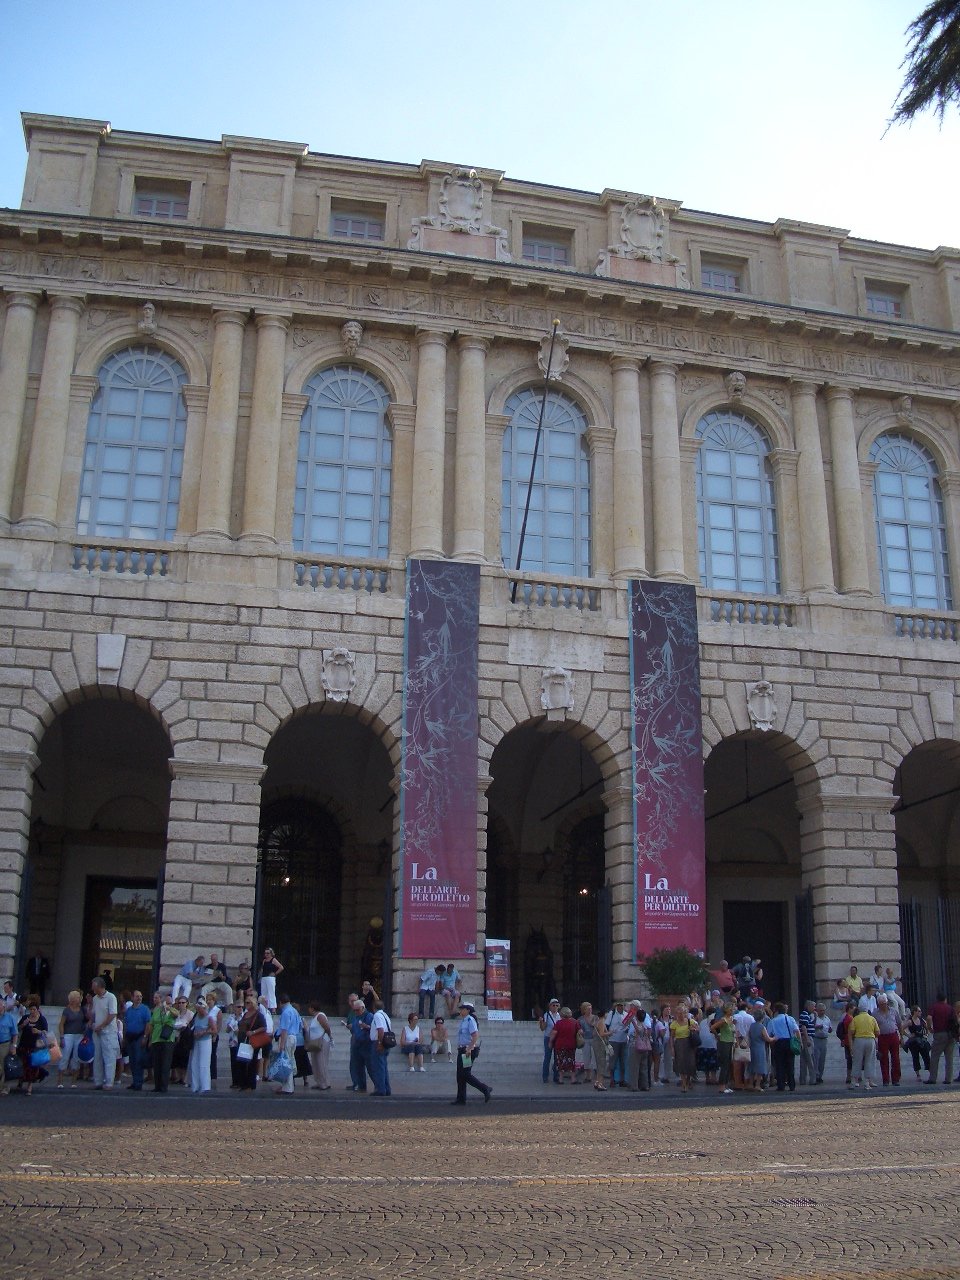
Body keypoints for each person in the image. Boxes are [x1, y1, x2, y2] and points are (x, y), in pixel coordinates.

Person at [452, 1001, 491, 1105]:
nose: (461, 1010)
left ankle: (485, 1088)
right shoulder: (464, 1020)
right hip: (462, 1050)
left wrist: (469, 1048)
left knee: (465, 1074)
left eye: (463, 1009)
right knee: (460, 1075)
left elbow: (475, 1035)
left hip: (468, 1050)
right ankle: (461, 1098)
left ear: (468, 1010)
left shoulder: (470, 1020)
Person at [90, 976, 119, 1091]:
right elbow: (94, 1013)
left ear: (99, 987)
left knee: (109, 1057)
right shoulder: (95, 999)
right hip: (97, 1031)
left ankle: (109, 1082)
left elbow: (112, 1014)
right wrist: (91, 1022)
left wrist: (101, 1026)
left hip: (108, 1032)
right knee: (97, 1057)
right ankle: (98, 1081)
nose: (92, 989)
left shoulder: (111, 997)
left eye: (94, 987)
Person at [16, 1001, 50, 1096]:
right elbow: (18, 1028)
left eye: (34, 1009)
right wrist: (24, 1024)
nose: (32, 1011)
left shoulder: (42, 1019)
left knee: (32, 1067)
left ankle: (29, 1087)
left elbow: (46, 1032)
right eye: (30, 1009)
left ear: (37, 1009)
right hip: (24, 1045)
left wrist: (38, 1031)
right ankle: (21, 1080)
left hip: (35, 1047)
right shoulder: (25, 1018)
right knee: (23, 1065)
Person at [56, 990, 86, 1089]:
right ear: (73, 999)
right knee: (65, 1056)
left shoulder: (82, 1010)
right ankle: (60, 1081)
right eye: (77, 998)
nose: (79, 999)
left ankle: (74, 1082)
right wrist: (62, 1036)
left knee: (76, 1058)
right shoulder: (67, 1010)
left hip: (79, 1035)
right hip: (68, 1035)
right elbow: (61, 1024)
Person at [236, 994, 267, 1092]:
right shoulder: (246, 1014)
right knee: (242, 1062)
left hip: (252, 1041)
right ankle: (243, 1083)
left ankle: (250, 1084)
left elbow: (264, 1027)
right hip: (243, 1040)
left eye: (248, 1002)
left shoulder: (258, 1015)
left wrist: (253, 1032)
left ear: (253, 1003)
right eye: (246, 1002)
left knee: (252, 1063)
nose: (246, 1004)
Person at [273, 991, 301, 1096]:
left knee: (286, 1062)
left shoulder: (285, 1012)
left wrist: (281, 1044)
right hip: (294, 1037)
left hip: (287, 1037)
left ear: (280, 1002)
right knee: (290, 1059)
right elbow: (299, 1025)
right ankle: (288, 1085)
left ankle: (288, 1087)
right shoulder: (294, 1011)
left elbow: (284, 1029)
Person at [926, 992, 957, 1085]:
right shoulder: (950, 1008)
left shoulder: (934, 1007)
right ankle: (949, 1078)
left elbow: (928, 1018)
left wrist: (929, 1028)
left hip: (939, 1033)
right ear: (945, 999)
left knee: (935, 1057)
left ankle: (933, 1078)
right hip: (951, 1034)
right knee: (949, 1058)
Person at [768, 1001, 800, 1092]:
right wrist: (799, 1042)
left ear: (776, 1011)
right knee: (790, 1064)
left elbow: (770, 1033)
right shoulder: (790, 1019)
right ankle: (791, 1085)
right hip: (789, 1041)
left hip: (779, 1042)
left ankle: (781, 1085)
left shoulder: (773, 1021)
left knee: (779, 1065)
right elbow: (796, 1031)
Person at [147, 995, 176, 1092]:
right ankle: (157, 1085)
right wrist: (149, 1038)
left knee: (165, 1064)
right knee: (157, 1064)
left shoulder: (172, 1011)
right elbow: (151, 1024)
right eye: (166, 1002)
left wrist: (169, 1008)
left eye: (169, 1003)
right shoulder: (156, 1011)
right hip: (156, 1039)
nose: (167, 1004)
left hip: (167, 1040)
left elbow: (177, 1015)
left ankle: (164, 1086)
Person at [123, 990, 151, 1091]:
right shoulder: (129, 1010)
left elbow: (148, 1024)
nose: (139, 998)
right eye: (137, 996)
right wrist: (124, 1038)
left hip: (139, 1037)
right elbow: (126, 1024)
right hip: (130, 1037)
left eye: (140, 996)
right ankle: (134, 1082)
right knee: (132, 1061)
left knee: (139, 1060)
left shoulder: (145, 1009)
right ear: (132, 998)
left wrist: (145, 1037)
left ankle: (139, 1083)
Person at [847, 1001, 880, 1089]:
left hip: (859, 1040)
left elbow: (852, 1031)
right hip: (870, 1039)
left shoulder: (855, 1019)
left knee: (857, 1060)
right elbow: (877, 1032)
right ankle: (867, 1082)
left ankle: (854, 1081)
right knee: (869, 1061)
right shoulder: (872, 1019)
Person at [669, 1003, 698, 1093]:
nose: (680, 1015)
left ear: (685, 1013)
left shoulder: (690, 1021)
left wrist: (693, 1030)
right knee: (681, 1064)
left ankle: (688, 1080)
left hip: (689, 1043)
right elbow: (671, 1037)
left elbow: (697, 1029)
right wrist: (672, 1048)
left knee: (690, 1064)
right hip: (679, 1044)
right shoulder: (674, 1024)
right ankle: (684, 1084)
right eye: (679, 1013)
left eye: (682, 1013)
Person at [874, 994, 903, 1086]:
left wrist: (901, 1036)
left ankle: (896, 1079)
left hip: (893, 1035)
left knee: (895, 1058)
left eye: (884, 1003)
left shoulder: (894, 1011)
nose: (883, 1005)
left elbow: (899, 1024)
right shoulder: (875, 1013)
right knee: (883, 1058)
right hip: (882, 1037)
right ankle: (886, 1079)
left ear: (887, 1003)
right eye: (881, 1004)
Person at [578, 1001, 608, 1090]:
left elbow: (597, 1027)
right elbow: (578, 1027)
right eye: (588, 1008)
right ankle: (588, 1076)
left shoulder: (596, 1018)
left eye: (591, 1008)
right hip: (585, 1039)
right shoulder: (580, 1019)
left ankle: (597, 1077)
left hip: (595, 1039)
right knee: (586, 1057)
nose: (590, 1010)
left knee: (596, 1058)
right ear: (584, 1010)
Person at [188, 996, 215, 1093]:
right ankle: (195, 1086)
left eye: (200, 1008)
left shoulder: (209, 1018)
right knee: (194, 1063)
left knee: (204, 1064)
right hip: (197, 1041)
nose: (198, 1010)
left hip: (205, 1041)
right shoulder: (196, 1017)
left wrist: (203, 1032)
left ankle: (205, 1086)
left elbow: (214, 1030)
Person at [304, 1002, 333, 1089]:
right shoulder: (314, 1018)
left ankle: (325, 1083)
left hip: (322, 1041)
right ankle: (319, 1081)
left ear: (312, 1008)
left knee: (321, 1062)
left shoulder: (320, 1016)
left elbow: (326, 1027)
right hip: (315, 1042)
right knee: (316, 1062)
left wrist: (329, 1035)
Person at [548, 1006, 579, 1084]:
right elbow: (581, 1031)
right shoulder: (575, 1022)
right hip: (571, 1044)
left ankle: (561, 1079)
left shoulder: (559, 1023)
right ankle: (573, 1079)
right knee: (571, 1061)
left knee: (560, 1062)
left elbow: (554, 1033)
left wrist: (550, 1042)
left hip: (560, 1045)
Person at [348, 997, 374, 1090]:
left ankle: (377, 1085)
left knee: (370, 1066)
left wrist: (366, 1026)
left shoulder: (369, 1016)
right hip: (357, 1042)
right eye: (354, 1010)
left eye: (357, 1010)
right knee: (358, 1066)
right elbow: (355, 1028)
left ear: (363, 1008)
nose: (356, 1012)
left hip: (366, 1043)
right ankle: (361, 1085)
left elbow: (374, 1029)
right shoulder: (356, 1016)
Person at [369, 998, 393, 1096]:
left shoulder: (377, 1015)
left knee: (378, 1067)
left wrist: (379, 1043)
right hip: (387, 1041)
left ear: (374, 1007)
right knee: (383, 1066)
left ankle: (380, 1089)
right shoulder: (385, 1015)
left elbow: (380, 1030)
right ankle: (386, 1088)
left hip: (379, 1042)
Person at [712, 1002, 736, 1095]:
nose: (733, 1010)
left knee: (728, 1064)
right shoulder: (723, 1020)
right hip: (724, 1043)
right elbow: (713, 1027)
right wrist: (717, 1035)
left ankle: (725, 1085)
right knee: (724, 1065)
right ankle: (722, 1086)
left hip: (730, 1042)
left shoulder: (731, 1019)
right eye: (732, 1009)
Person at [605, 1001, 630, 1087]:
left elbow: (629, 1025)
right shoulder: (611, 1014)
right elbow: (606, 1025)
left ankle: (622, 1079)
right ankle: (612, 1079)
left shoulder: (626, 1014)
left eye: (621, 1006)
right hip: (613, 1039)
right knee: (613, 1060)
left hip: (623, 1040)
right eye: (618, 1006)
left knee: (623, 1061)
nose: (620, 1007)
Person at [903, 1005, 931, 1081]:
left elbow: (927, 1028)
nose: (920, 1012)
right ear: (914, 1012)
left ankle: (931, 1072)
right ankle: (918, 1074)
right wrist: (908, 1035)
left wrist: (926, 1035)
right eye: (919, 1011)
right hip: (914, 1042)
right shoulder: (910, 1021)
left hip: (922, 1040)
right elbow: (901, 1028)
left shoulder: (922, 1020)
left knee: (926, 1056)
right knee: (915, 1057)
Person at [539, 997, 561, 1084]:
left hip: (557, 1038)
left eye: (556, 1005)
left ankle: (556, 1076)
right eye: (553, 1005)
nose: (555, 1007)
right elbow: (543, 1028)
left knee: (557, 1058)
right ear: (550, 1006)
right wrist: (541, 1022)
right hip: (548, 1037)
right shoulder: (547, 1015)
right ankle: (545, 1076)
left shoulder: (560, 1015)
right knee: (547, 1057)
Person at [811, 1003, 832, 1084]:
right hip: (816, 1039)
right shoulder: (813, 1017)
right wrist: (817, 1027)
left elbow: (830, 1029)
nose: (822, 1012)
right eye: (821, 1011)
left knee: (822, 1059)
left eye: (823, 1010)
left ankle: (820, 1076)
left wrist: (830, 1029)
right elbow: (810, 1026)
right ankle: (816, 1075)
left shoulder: (827, 1018)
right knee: (816, 1058)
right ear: (817, 1010)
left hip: (824, 1039)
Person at [797, 1000, 817, 1086]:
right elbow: (804, 1027)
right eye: (813, 1006)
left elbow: (810, 1025)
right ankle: (812, 1079)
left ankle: (803, 1079)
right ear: (808, 1006)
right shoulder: (804, 1015)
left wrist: (815, 1017)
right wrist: (807, 1039)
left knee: (804, 1060)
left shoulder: (807, 1015)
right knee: (810, 1059)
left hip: (806, 1038)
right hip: (807, 1038)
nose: (814, 1008)